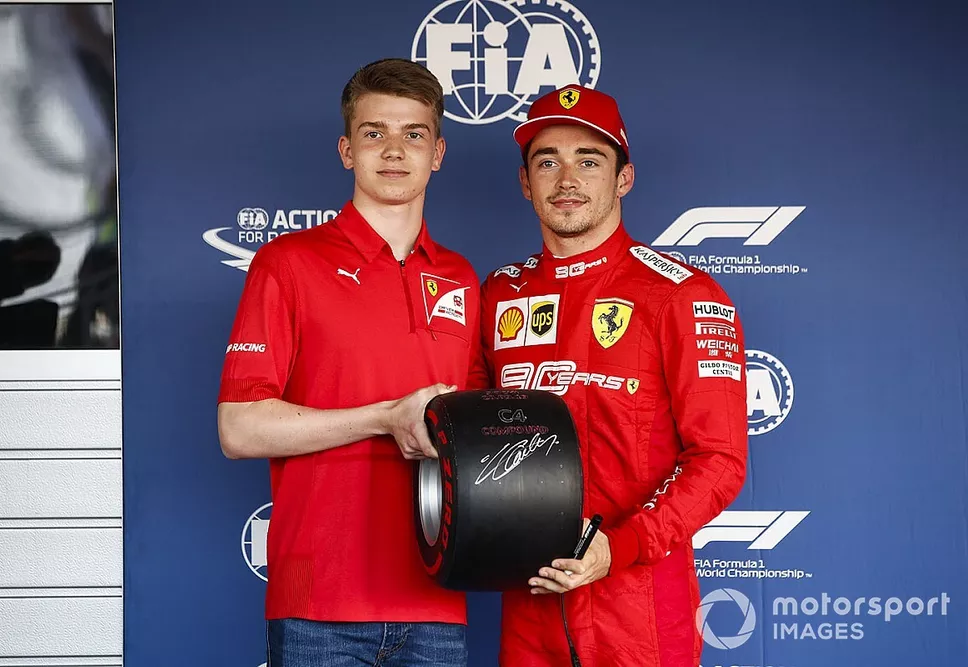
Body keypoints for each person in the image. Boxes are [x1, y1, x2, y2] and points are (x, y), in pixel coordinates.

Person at [470, 85, 749, 666]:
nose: (566, 178)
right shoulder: (499, 294)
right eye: (547, 161)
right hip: (529, 612)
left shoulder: (681, 295)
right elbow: (469, 440)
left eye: (589, 161)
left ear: (623, 178)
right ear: (526, 183)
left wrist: (619, 548)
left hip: (639, 613)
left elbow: (719, 460)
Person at [217, 58, 480, 667]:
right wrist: (386, 417)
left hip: (436, 601)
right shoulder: (288, 264)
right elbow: (239, 428)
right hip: (320, 606)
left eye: (414, 134)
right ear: (346, 150)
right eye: (373, 133)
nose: (394, 150)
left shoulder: (461, 277)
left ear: (437, 152)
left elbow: (474, 435)